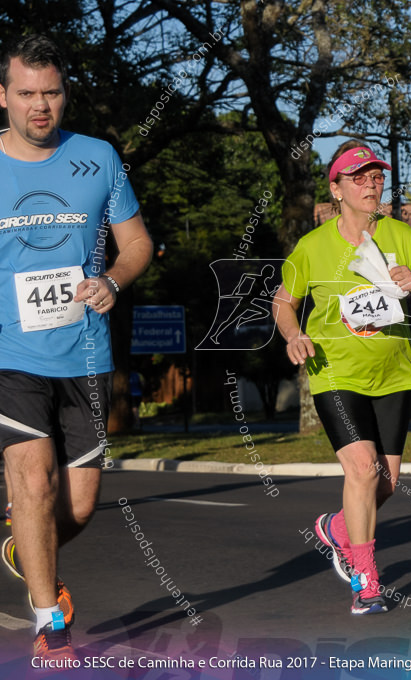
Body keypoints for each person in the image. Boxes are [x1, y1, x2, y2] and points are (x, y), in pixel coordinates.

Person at [0, 35, 152, 660]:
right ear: (2, 96)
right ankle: (48, 621)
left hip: (86, 353)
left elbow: (138, 243)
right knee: (33, 485)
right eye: (27, 93)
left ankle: (24, 544)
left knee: (80, 505)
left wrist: (114, 281)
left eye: (52, 93)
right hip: (11, 354)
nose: (41, 106)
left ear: (65, 95)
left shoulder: (98, 157)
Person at [272, 141, 411, 614]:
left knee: (385, 482)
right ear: (337, 189)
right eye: (359, 176)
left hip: (393, 372)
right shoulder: (312, 246)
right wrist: (293, 334)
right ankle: (365, 581)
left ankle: (338, 528)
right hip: (336, 373)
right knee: (362, 470)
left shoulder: (402, 237)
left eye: (376, 176)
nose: (371, 183)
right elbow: (283, 301)